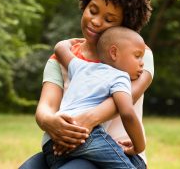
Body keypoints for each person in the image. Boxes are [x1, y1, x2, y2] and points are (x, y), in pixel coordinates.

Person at [19, 0, 153, 168]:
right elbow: (46, 107)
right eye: (93, 10)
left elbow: (125, 100)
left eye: (109, 19)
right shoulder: (62, 58)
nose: (96, 21)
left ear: (124, 25)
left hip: (118, 151)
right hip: (62, 146)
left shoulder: (137, 56)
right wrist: (51, 122)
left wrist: (84, 122)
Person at [42, 26, 146, 169]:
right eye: (137, 56)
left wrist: (71, 42)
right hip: (85, 137)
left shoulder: (81, 67)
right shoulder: (120, 77)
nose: (142, 62)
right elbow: (127, 113)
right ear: (114, 53)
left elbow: (60, 49)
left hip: (52, 140)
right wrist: (139, 147)